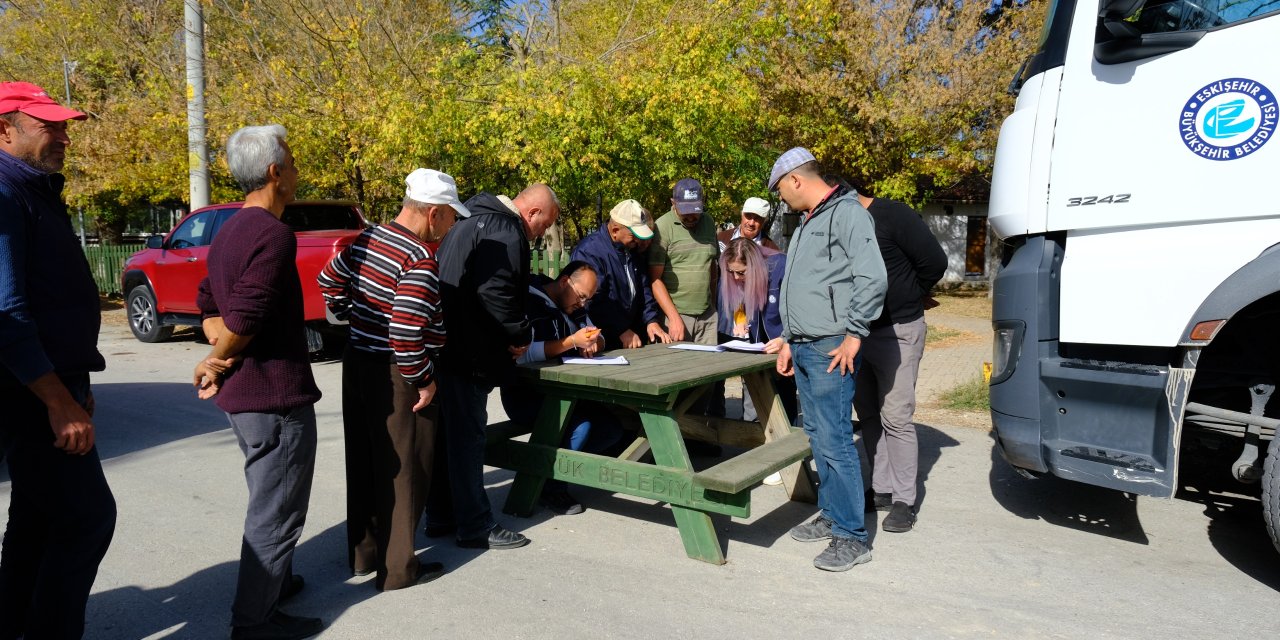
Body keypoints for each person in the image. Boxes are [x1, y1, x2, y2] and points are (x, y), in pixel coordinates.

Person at [192, 124, 324, 639]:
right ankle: (254, 622)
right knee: (277, 512)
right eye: (290, 163)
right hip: (272, 398)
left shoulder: (229, 229)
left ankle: (275, 582)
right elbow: (244, 317)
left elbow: (208, 302)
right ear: (275, 173)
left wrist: (216, 350)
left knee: (268, 497)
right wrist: (215, 358)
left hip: (246, 399)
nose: (295, 171)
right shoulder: (271, 233)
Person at [0, 81, 117, 640]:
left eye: (64, 124)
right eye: (49, 125)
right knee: (87, 518)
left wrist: (74, 381)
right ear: (5, 129)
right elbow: (6, 312)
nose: (64, 134)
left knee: (37, 516)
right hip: (28, 390)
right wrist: (58, 400)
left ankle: (16, 623)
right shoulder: (5, 190)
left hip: (50, 382)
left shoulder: (34, 187)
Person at [317, 168, 467, 590]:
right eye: (451, 216)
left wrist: (353, 315)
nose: (451, 225)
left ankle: (362, 555)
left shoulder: (369, 238)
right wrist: (424, 381)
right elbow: (405, 331)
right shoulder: (418, 257)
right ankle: (399, 569)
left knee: (364, 458)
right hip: (399, 374)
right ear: (434, 213)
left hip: (358, 362)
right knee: (406, 469)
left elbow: (328, 279)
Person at [764, 147, 887, 572]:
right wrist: (786, 340)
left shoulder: (848, 214)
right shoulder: (807, 222)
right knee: (819, 436)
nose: (782, 198)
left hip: (831, 346)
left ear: (796, 180)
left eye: (781, 189)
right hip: (804, 346)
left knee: (835, 441)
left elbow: (873, 276)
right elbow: (807, 287)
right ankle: (833, 515)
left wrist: (855, 334)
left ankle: (852, 537)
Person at [429, 184, 560, 550]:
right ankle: (475, 525)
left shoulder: (469, 220)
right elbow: (496, 293)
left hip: (448, 347)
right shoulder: (505, 230)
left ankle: (441, 514)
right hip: (472, 352)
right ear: (532, 213)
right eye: (544, 225)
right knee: (468, 439)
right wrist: (519, 332)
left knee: (448, 438)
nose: (541, 234)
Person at [849, 188, 947, 533]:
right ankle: (882, 489)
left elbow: (935, 262)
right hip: (859, 334)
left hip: (899, 330)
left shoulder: (893, 214)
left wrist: (908, 294)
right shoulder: (846, 222)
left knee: (896, 416)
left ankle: (905, 499)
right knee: (870, 415)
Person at [499, 261, 622, 515]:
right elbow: (524, 355)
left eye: (587, 299)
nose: (582, 304)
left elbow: (595, 332)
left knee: (612, 429)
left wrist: (595, 342)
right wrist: (570, 342)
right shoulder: (529, 302)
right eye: (581, 297)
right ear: (566, 281)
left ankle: (555, 469)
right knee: (582, 427)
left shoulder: (575, 306)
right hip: (526, 394)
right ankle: (548, 487)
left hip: (566, 392)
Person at [717, 237, 797, 424]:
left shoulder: (781, 267)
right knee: (765, 400)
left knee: (786, 399)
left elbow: (797, 310)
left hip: (785, 346)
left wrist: (785, 338)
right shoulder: (744, 276)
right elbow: (751, 305)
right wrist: (744, 321)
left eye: (741, 273)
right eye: (731, 272)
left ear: (753, 265)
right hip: (763, 347)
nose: (736, 278)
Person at [570, 199, 669, 349]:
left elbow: (644, 289)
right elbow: (593, 300)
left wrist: (651, 321)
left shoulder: (632, 250)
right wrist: (620, 329)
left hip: (631, 339)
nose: (638, 240)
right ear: (615, 230)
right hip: (601, 340)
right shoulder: (590, 251)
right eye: (633, 235)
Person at [649, 178, 719, 345]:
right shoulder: (662, 227)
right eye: (685, 210)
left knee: (710, 369)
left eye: (695, 210)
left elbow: (712, 265)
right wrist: (673, 318)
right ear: (673, 203)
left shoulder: (708, 222)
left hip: (707, 316)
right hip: (676, 317)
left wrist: (713, 305)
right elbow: (654, 279)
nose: (690, 216)